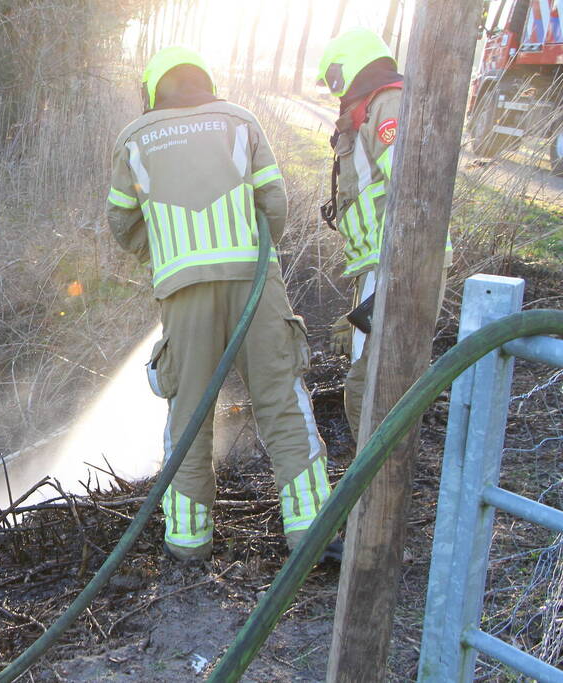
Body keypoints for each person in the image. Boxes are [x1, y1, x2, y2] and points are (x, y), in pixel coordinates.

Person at [106, 47, 335, 562]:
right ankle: (310, 532)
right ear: (206, 80)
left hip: (183, 294)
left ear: (153, 91)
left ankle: (188, 544)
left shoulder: (134, 138)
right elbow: (273, 202)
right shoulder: (241, 120)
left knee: (189, 413)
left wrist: (164, 248)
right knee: (281, 400)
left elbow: (121, 224)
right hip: (256, 283)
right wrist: (255, 258)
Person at [316, 29, 452, 439]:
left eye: (333, 82)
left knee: (371, 385)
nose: (334, 93)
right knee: (375, 377)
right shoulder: (372, 111)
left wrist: (388, 289)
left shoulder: (388, 105)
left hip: (397, 261)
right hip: (384, 263)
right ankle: (371, 486)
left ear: (346, 72)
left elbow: (413, 188)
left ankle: (370, 493)